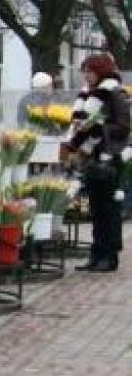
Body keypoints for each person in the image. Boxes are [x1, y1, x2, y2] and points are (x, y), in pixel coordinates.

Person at [64, 53, 129, 273]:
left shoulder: (114, 93)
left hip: (108, 158)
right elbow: (79, 124)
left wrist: (99, 127)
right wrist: (76, 140)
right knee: (96, 208)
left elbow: (123, 126)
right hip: (92, 158)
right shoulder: (87, 95)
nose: (86, 76)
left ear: (101, 72)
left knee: (108, 210)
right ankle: (96, 254)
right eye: (84, 71)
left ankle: (108, 256)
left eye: (90, 72)